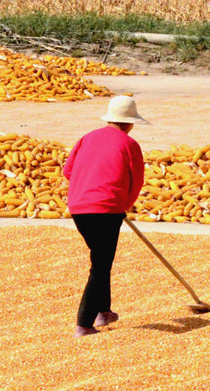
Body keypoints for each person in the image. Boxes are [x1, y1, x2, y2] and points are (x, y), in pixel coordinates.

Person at [61, 94, 148, 337]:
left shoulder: (86, 138)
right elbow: (136, 181)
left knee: (101, 258)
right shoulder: (130, 145)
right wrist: (125, 205)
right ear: (130, 123)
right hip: (106, 210)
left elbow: (68, 171)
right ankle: (84, 324)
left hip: (79, 209)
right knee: (100, 265)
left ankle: (104, 312)